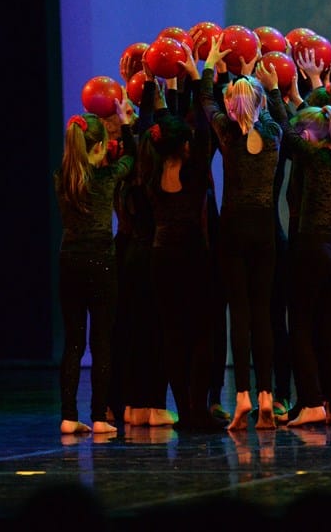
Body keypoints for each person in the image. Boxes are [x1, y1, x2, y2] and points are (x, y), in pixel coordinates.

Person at [195, 33, 285, 431]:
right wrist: (269, 87)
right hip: (264, 228)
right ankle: (267, 394)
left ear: (232, 106)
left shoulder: (227, 133)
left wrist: (210, 65)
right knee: (263, 311)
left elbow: (206, 100)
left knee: (241, 313)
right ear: (260, 103)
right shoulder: (274, 133)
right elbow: (282, 118)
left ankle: (244, 396)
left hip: (233, 228)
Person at [147, 51, 224, 432]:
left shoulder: (152, 169)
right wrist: (199, 75)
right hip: (193, 258)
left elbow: (160, 127)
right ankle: (198, 409)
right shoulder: (194, 174)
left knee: (173, 335)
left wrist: (155, 90)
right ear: (186, 147)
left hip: (162, 258)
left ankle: (183, 411)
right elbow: (206, 129)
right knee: (202, 334)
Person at [54, 105, 136, 435]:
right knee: (101, 342)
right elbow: (132, 158)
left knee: (73, 343)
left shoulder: (61, 179)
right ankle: (100, 416)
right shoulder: (108, 177)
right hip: (101, 262)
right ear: (100, 147)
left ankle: (68, 416)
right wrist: (126, 125)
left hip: (70, 262)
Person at [276, 96, 331, 428]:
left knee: (301, 326)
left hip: (312, 249)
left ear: (309, 135)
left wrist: (274, 93)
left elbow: (285, 131)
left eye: (302, 133)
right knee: (330, 328)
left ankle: (311, 403)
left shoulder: (315, 158)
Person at [115, 70, 178, 427]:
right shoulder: (156, 177)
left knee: (133, 330)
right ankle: (154, 405)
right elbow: (158, 141)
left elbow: (136, 148)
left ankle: (132, 405)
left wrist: (129, 121)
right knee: (156, 331)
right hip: (154, 254)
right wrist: (161, 95)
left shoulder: (125, 174)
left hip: (129, 255)